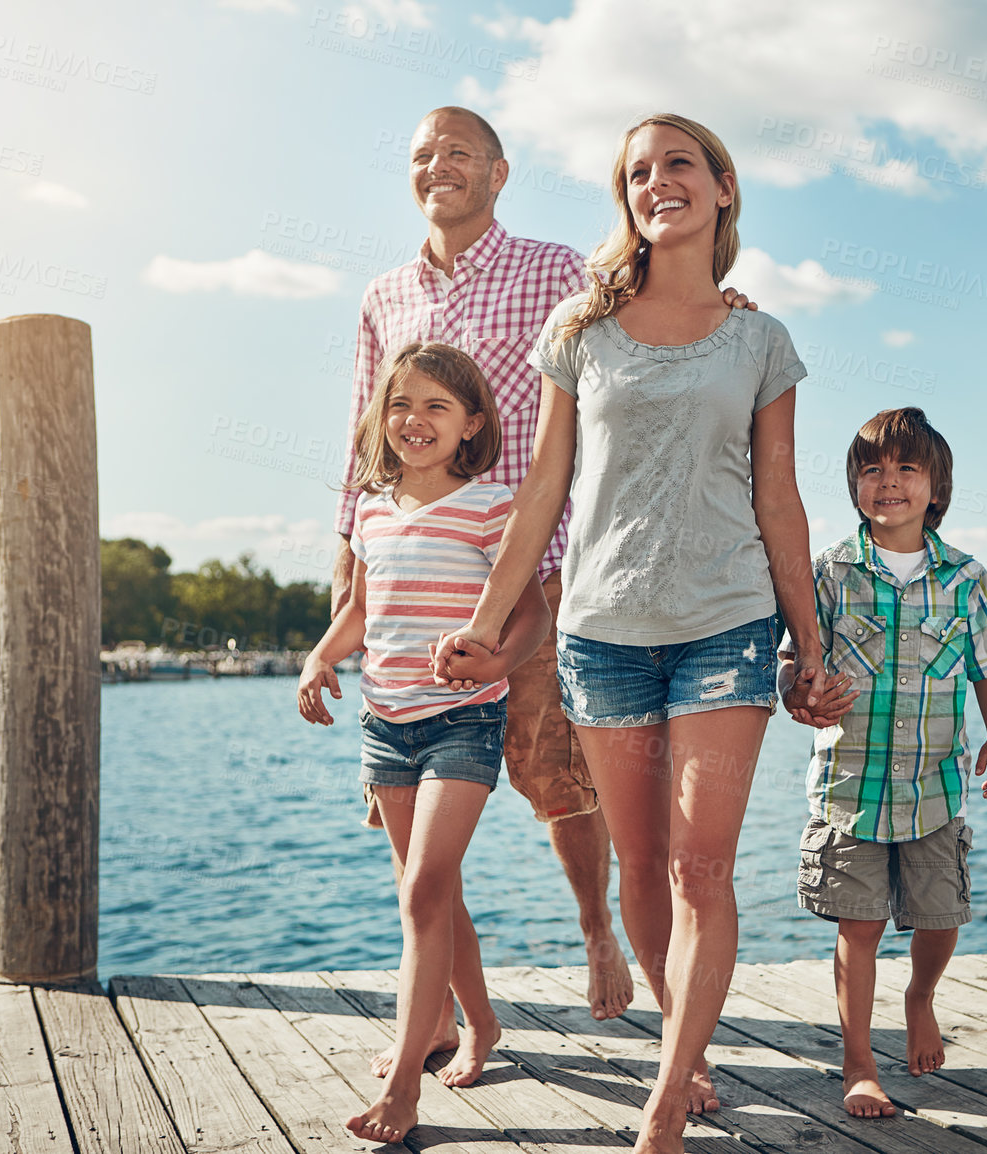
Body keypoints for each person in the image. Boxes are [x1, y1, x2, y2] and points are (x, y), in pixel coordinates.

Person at [432, 113, 845, 1154]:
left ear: (720, 184)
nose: (658, 181)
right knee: (643, 860)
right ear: (626, 197)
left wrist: (811, 643)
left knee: (703, 867)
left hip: (726, 623)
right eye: (637, 171)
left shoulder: (760, 339)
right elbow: (544, 487)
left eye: (677, 164)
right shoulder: (580, 330)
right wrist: (489, 625)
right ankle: (685, 1043)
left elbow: (782, 501)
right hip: (602, 629)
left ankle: (662, 1100)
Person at [331, 105, 750, 1038]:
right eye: (422, 152)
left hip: (545, 565)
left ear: (499, 172)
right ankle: (437, 1005)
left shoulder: (557, 268)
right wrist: (347, 558)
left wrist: (733, 306)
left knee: (556, 776)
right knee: (407, 786)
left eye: (458, 153)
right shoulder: (382, 295)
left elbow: (653, 279)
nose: (437, 164)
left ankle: (597, 927)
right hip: (410, 571)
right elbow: (363, 431)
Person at [299, 341, 553, 1145]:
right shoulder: (372, 509)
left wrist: (499, 661)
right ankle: (479, 1024)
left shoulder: (492, 507)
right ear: (382, 417)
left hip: (464, 720)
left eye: (438, 407)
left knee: (421, 892)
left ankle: (405, 1088)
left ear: (471, 423)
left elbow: (533, 617)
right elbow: (361, 610)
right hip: (385, 726)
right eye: (402, 404)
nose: (416, 420)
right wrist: (317, 656)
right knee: (434, 893)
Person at [781, 407, 987, 1119]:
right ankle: (859, 1061)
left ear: (936, 487)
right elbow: (792, 658)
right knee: (856, 926)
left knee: (940, 911)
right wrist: (796, 691)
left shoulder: (966, 578)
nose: (887, 482)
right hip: (849, 786)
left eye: (906, 469)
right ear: (854, 484)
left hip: (935, 786)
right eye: (871, 469)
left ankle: (920, 996)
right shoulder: (827, 573)